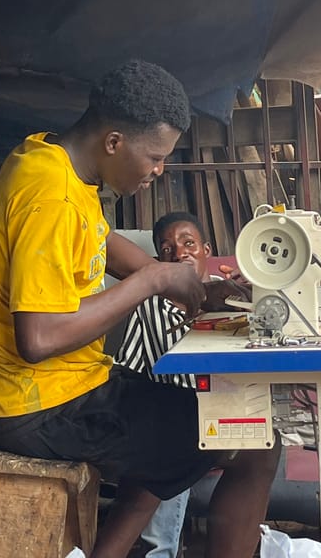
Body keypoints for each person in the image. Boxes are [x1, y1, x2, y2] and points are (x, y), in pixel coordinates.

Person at [0, 58, 280, 558]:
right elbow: (38, 339)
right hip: (39, 409)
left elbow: (101, 241)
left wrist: (191, 286)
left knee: (182, 422)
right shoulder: (50, 197)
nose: (159, 171)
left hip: (66, 390)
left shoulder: (50, 159)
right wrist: (154, 278)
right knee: (253, 442)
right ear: (114, 142)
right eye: (155, 157)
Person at [115, 211, 224, 558]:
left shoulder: (216, 299)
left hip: (186, 411)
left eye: (188, 243)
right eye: (167, 249)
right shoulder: (153, 304)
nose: (180, 254)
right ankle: (159, 551)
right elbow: (186, 377)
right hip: (139, 414)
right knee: (176, 436)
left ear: (207, 250)